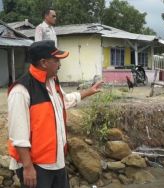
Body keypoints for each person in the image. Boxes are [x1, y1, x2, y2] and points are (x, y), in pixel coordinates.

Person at [7, 40, 103, 188]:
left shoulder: (52, 81)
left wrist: (88, 92)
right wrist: (27, 167)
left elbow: (64, 101)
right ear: (44, 62)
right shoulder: (21, 90)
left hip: (57, 161)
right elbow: (18, 136)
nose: (60, 64)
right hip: (36, 166)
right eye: (56, 60)